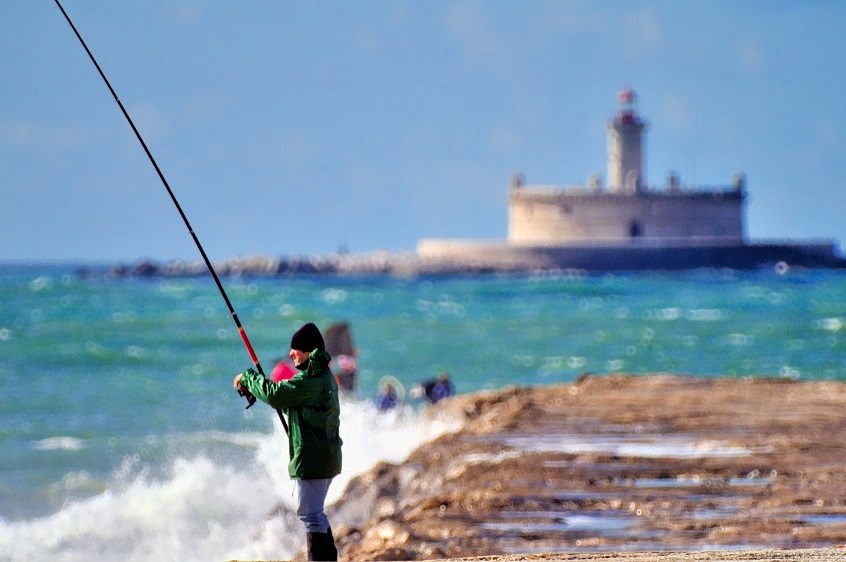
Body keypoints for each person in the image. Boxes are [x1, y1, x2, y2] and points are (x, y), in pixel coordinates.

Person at [233, 322, 342, 561]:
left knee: (310, 515)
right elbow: (283, 396)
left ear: (308, 351)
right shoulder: (319, 377)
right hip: (322, 456)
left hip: (315, 458)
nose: (291, 353)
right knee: (315, 513)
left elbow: (276, 395)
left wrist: (249, 377)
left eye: (296, 348)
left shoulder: (313, 379)